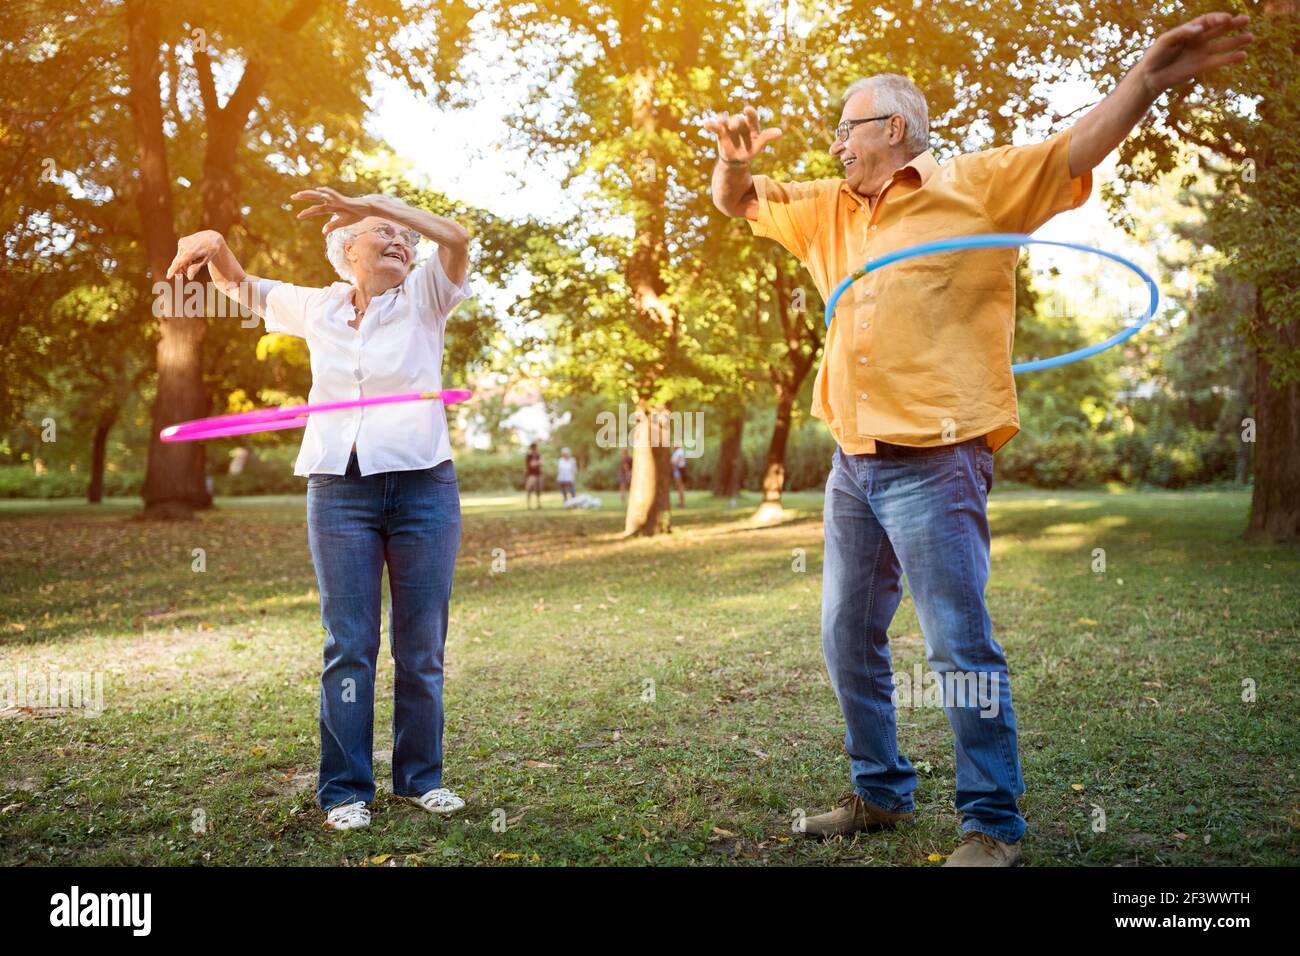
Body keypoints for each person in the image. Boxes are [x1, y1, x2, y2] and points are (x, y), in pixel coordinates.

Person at [705, 12, 1251, 866]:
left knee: (957, 644)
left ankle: (991, 823)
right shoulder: (824, 211)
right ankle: (881, 792)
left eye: (846, 128)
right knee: (846, 634)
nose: (836, 145)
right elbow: (736, 199)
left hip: (939, 460)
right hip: (854, 463)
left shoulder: (978, 185)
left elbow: (1076, 149)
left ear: (892, 128)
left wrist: (1145, 80)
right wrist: (735, 160)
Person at [167, 186, 475, 832]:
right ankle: (344, 790)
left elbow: (455, 239)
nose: (399, 241)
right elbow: (245, 289)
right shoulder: (320, 307)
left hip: (422, 486)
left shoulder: (425, 296)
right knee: (349, 646)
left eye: (404, 236)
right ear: (345, 250)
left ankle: (421, 779)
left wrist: (382, 204)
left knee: (421, 647)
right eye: (382, 234)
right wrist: (218, 245)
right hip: (339, 489)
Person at [524, 442, 543, 509]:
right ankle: (529, 505)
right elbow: (532, 465)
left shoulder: (538, 455)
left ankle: (538, 504)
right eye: (535, 448)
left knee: (538, 490)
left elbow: (540, 463)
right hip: (531, 475)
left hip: (538, 474)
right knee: (529, 489)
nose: (536, 449)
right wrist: (538, 463)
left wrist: (536, 463)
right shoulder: (529, 456)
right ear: (532, 448)